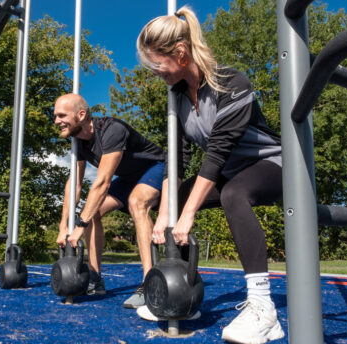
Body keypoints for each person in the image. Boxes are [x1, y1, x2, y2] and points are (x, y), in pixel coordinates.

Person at [136, 6, 285, 343]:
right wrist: (165, 214)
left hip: (272, 165)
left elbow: (216, 154)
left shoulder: (232, 83)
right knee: (177, 201)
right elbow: (176, 161)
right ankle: (183, 296)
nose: (155, 73)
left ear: (180, 53)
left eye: (157, 65)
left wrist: (185, 216)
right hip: (230, 171)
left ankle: (264, 310)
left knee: (232, 194)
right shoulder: (176, 98)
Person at [53, 93, 165, 309]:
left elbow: (102, 183)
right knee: (92, 210)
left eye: (61, 115)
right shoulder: (78, 142)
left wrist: (79, 225)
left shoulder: (111, 130)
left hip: (156, 167)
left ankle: (150, 282)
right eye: (55, 116)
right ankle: (95, 279)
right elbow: (74, 184)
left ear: (82, 115)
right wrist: (63, 226)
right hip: (127, 179)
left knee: (137, 202)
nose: (56, 121)